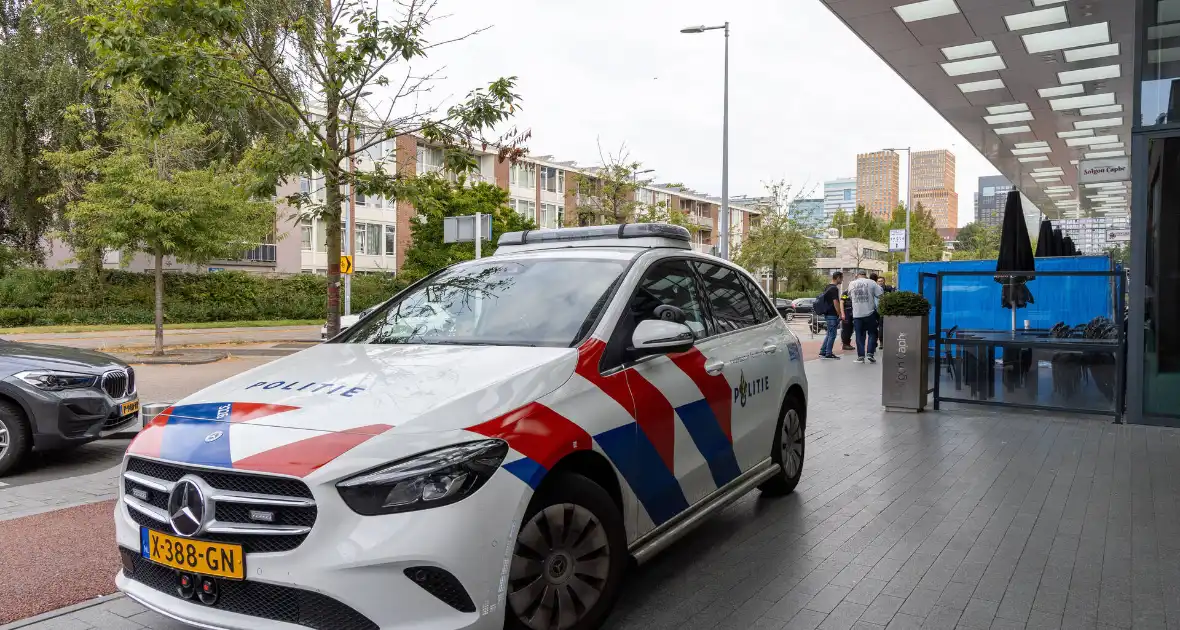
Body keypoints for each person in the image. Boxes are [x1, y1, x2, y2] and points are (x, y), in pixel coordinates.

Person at [849, 271, 883, 363]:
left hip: (857, 314)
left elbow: (850, 297)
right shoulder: (871, 282)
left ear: (857, 275)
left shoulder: (851, 283)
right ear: (866, 276)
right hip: (870, 313)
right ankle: (870, 354)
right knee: (872, 333)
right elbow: (880, 295)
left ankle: (860, 356)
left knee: (859, 336)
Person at [818, 271, 844, 359]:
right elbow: (835, 302)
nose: (842, 280)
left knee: (829, 334)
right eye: (841, 278)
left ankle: (823, 351)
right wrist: (839, 314)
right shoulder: (834, 289)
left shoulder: (827, 287)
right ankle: (828, 353)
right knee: (832, 335)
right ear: (837, 278)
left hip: (827, 313)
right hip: (832, 314)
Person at [874, 274, 894, 353]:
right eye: (879, 281)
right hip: (876, 310)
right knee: (878, 327)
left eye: (882, 281)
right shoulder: (874, 289)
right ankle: (879, 342)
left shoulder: (888, 288)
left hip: (886, 310)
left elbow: (893, 294)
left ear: (884, 281)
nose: (880, 282)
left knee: (884, 326)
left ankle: (884, 342)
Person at [840, 286, 855, 351]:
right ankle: (845, 344)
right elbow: (841, 303)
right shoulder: (845, 293)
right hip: (847, 312)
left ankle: (848, 343)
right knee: (846, 329)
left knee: (851, 329)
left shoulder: (854, 293)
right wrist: (843, 314)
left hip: (853, 312)